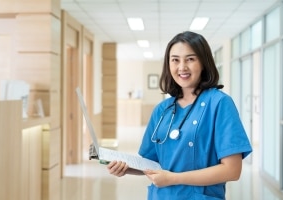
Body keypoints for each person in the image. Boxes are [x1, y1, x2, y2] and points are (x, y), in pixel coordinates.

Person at [107, 31, 252, 200]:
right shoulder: (162, 109)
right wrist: (126, 168)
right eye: (175, 60)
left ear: (204, 62)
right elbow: (152, 163)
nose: (182, 67)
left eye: (190, 59)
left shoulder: (219, 103)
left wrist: (174, 178)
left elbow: (232, 170)